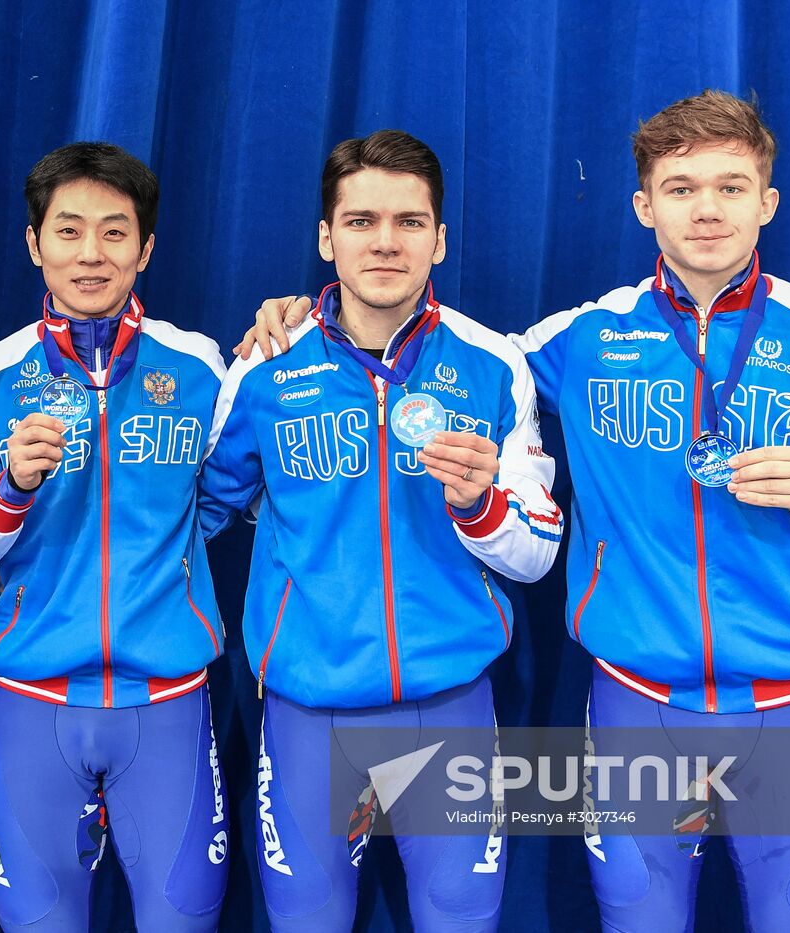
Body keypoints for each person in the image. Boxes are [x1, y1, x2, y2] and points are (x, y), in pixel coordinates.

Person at [238, 92, 790, 932]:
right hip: (636, 699)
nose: (708, 208)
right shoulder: (574, 339)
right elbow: (443, 352)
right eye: (681, 188)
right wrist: (299, 317)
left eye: (731, 185)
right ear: (644, 205)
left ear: (769, 201)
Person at [202, 129, 563, 931]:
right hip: (307, 712)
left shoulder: (491, 363)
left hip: (452, 706)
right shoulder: (264, 367)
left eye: (409, 221)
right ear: (327, 237)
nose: (386, 242)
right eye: (361, 221)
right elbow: (190, 517)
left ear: (440, 237)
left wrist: (481, 506)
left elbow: (537, 552)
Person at [0, 142, 230, 931]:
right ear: (34, 244)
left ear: (146, 247)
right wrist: (10, 489)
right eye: (68, 231)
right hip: (35, 704)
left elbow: (235, 494)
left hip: (166, 702)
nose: (91, 254)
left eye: (114, 232)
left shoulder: (202, 366)